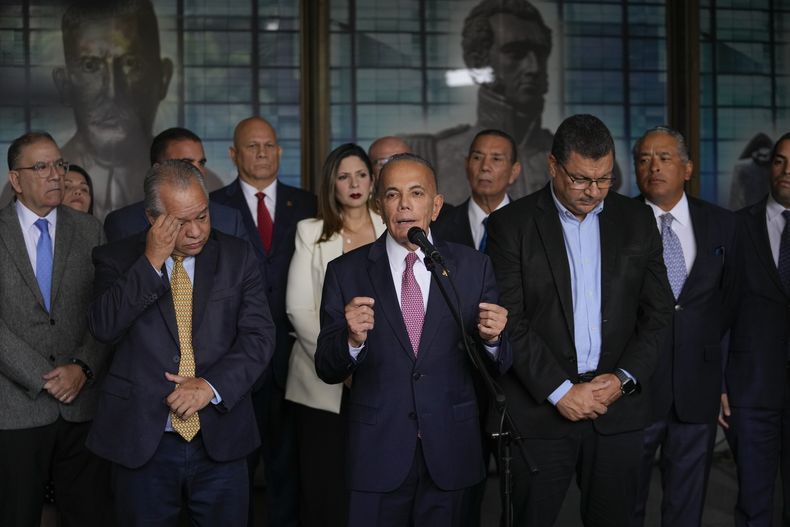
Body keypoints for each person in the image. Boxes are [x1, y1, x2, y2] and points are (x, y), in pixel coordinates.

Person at [486, 114, 674, 527]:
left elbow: (658, 313)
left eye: (604, 179)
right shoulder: (509, 226)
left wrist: (623, 378)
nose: (593, 192)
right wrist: (560, 391)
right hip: (540, 412)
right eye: (581, 179)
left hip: (616, 409)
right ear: (553, 166)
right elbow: (510, 321)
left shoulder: (636, 219)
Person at [315, 152, 512, 527]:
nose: (404, 204)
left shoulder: (472, 267)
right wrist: (351, 339)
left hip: (452, 452)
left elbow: (501, 364)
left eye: (417, 193)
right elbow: (325, 366)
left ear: (436, 206)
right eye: (392, 194)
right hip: (377, 455)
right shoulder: (346, 272)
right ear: (379, 205)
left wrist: (494, 339)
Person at [87, 159, 274, 526]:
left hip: (221, 439)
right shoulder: (116, 258)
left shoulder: (237, 256)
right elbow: (103, 327)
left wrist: (210, 386)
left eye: (202, 216)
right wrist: (152, 261)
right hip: (142, 440)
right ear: (152, 217)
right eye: (180, 222)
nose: (195, 232)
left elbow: (260, 337)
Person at [629, 126, 739, 527]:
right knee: (625, 504)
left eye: (664, 158)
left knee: (686, 508)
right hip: (635, 388)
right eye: (643, 159)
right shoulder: (617, 224)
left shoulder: (723, 225)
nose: (653, 166)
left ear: (687, 168)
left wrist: (726, 378)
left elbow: (731, 308)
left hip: (700, 385)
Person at [211, 116, 317, 527]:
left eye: (269, 145)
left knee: (289, 472)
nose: (261, 153)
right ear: (234, 154)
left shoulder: (308, 204)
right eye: (251, 146)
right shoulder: (213, 207)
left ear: (280, 151)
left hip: (296, 358)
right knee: (233, 472)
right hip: (235, 359)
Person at [0, 131, 110, 526]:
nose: (55, 175)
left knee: (88, 515)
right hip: (15, 408)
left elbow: (106, 311)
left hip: (82, 405)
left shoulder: (89, 230)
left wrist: (82, 367)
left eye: (59, 165)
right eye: (41, 166)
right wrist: (44, 377)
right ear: (16, 179)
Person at [285, 143, 386, 527]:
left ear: (373, 180)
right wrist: (341, 358)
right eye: (344, 176)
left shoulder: (388, 225)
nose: (354, 183)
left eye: (361, 174)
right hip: (320, 378)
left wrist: (365, 362)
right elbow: (299, 308)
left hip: (381, 373)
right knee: (324, 481)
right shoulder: (310, 231)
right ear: (332, 184)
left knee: (376, 478)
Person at [406, 0, 552, 205]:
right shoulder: (431, 155)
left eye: (540, 54)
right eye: (516, 54)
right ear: (477, 62)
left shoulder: (568, 159)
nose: (533, 67)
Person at [721, 132, 790, 526]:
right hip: (750, 388)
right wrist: (719, 381)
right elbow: (721, 310)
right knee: (753, 503)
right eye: (779, 161)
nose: (786, 171)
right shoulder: (735, 228)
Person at [103, 127, 247, 242]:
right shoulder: (122, 223)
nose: (199, 171)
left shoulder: (229, 220)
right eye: (186, 164)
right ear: (157, 169)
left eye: (201, 163)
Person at [432, 128, 521, 249]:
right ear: (466, 165)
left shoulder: (529, 226)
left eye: (496, 159)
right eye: (477, 158)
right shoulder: (439, 226)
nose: (485, 167)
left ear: (514, 171)